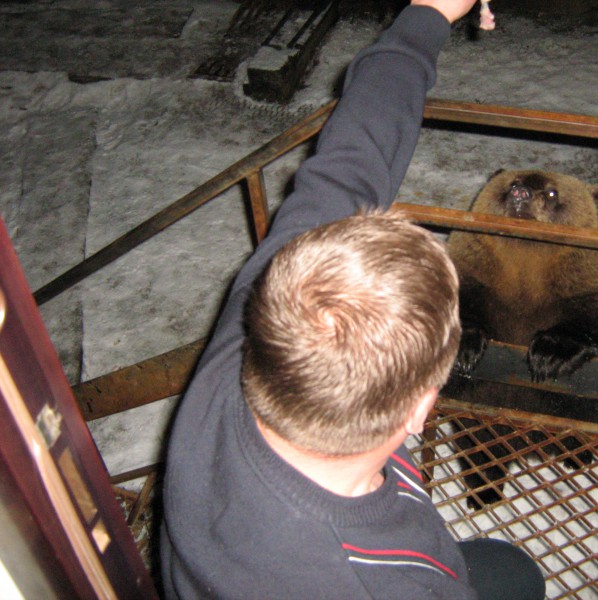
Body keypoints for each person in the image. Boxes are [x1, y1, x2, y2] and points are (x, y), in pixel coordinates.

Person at [160, 2, 546, 599]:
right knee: (514, 578)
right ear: (419, 410)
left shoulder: (241, 345)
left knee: (504, 570)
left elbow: (348, 167)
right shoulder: (384, 587)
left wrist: (429, 13)